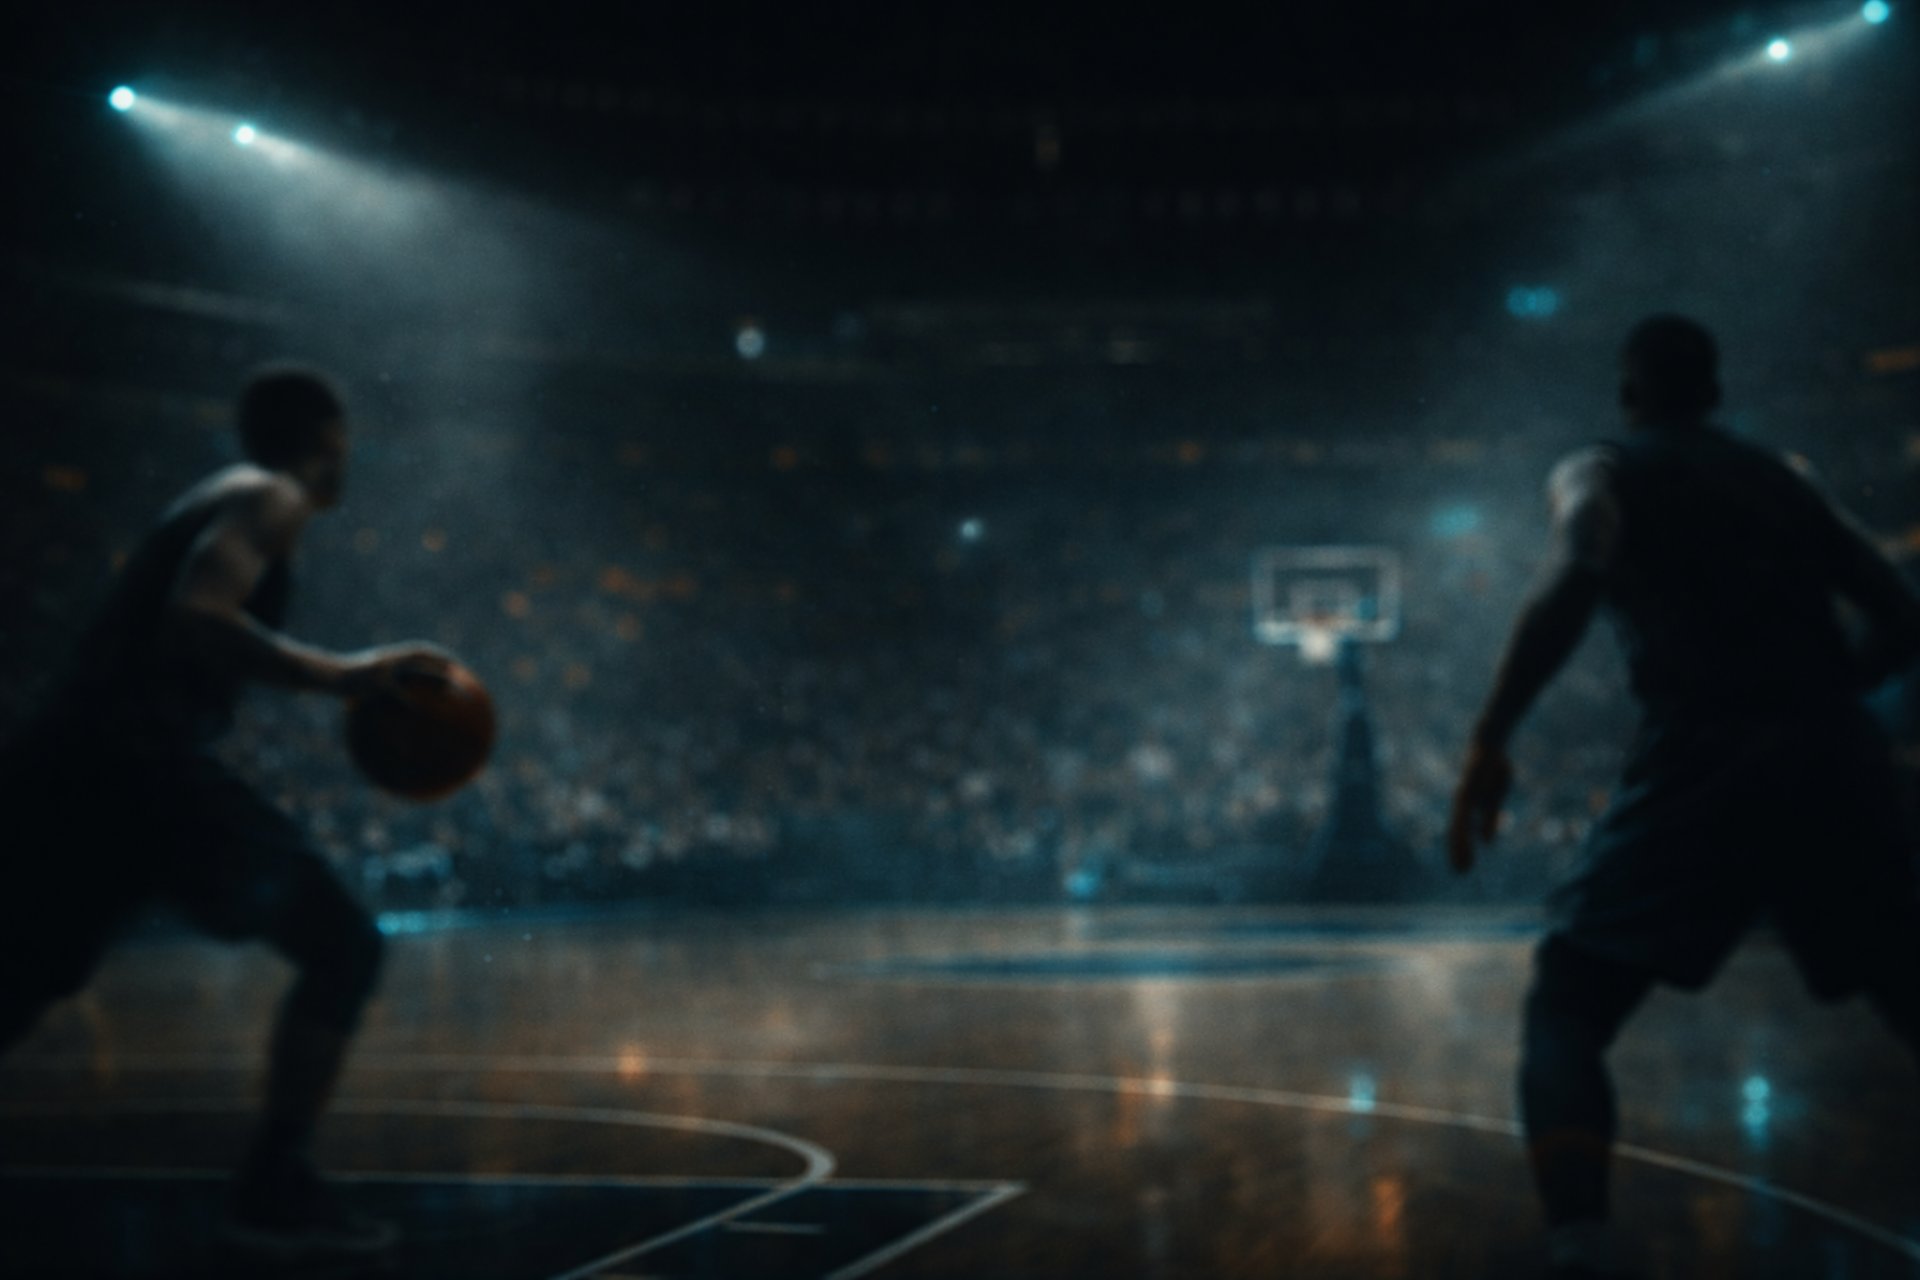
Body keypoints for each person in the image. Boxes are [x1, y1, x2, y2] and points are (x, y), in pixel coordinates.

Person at [1448, 315, 1920, 1279]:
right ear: (1713, 389)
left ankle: (1579, 1245)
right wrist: (1832, 703)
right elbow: (1904, 613)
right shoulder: (1787, 478)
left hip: (1709, 752)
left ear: (1629, 391)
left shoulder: (1602, 468)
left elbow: (1577, 567)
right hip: (1834, 756)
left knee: (1569, 1002)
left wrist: (1492, 735)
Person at [0, 366, 450, 1260]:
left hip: (62, 761)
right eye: (344, 436)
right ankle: (275, 1184)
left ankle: (276, 1184)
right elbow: (197, 616)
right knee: (344, 945)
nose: (347, 453)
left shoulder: (221, 495)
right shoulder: (269, 494)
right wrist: (345, 676)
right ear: (324, 434)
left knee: (20, 986)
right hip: (131, 765)